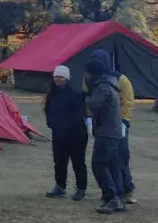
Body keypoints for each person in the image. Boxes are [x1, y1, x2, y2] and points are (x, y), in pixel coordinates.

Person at [85, 51, 125, 213]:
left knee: (98, 165)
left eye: (87, 73)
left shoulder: (102, 87)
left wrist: (85, 96)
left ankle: (111, 197)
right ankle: (118, 197)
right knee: (112, 164)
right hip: (113, 131)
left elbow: (94, 103)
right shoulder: (112, 83)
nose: (86, 76)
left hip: (106, 131)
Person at [43, 65, 88, 201]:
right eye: (56, 76)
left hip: (76, 136)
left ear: (67, 78)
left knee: (78, 162)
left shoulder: (76, 96)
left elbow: (79, 116)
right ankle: (60, 187)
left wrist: (69, 130)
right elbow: (48, 112)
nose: (58, 79)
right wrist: (51, 124)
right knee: (59, 162)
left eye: (61, 77)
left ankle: (81, 189)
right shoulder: (52, 95)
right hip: (58, 135)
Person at [109, 62, 137, 204]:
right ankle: (112, 191)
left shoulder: (121, 79)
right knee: (106, 160)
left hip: (119, 124)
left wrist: (124, 122)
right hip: (103, 125)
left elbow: (128, 101)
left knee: (121, 157)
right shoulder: (89, 77)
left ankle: (127, 189)